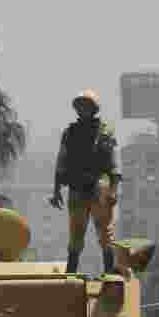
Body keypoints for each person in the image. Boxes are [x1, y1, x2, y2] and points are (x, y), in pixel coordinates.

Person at [49, 89, 122, 274]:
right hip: (77, 187)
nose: (83, 109)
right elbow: (61, 161)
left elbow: (113, 163)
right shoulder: (69, 132)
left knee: (105, 233)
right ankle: (71, 272)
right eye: (80, 106)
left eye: (86, 106)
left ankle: (109, 273)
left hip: (100, 186)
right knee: (75, 233)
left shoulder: (105, 131)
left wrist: (113, 190)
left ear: (93, 108)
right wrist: (56, 190)